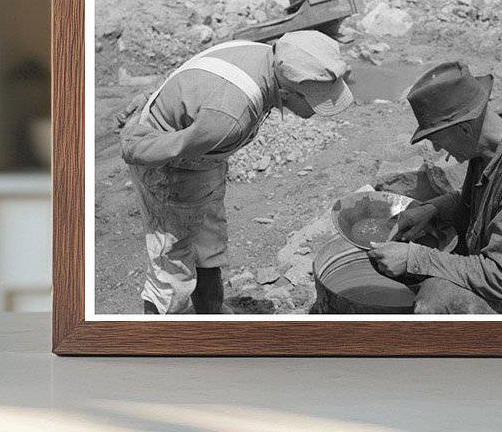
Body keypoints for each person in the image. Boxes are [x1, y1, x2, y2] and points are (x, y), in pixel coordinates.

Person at [117, 30, 353, 315]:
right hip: (169, 167)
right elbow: (149, 148)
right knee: (171, 263)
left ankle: (211, 314)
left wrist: (150, 95)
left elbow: (193, 78)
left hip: (203, 161)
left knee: (209, 244)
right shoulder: (231, 118)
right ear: (286, 93)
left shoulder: (265, 55)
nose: (317, 111)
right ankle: (160, 338)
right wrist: (134, 134)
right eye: (315, 102)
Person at [368, 60, 502, 315]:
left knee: (438, 296)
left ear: (465, 128)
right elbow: (488, 202)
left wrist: (414, 258)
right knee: (392, 255)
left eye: (436, 139)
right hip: (501, 272)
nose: (435, 149)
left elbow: (500, 277)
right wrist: (432, 209)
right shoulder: (495, 141)